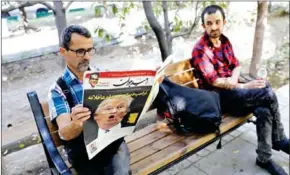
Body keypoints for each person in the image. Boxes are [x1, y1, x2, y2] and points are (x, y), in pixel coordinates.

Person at [191, 5, 289, 175]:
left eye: (217, 22)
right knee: (266, 93)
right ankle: (279, 138)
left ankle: (264, 158)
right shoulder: (200, 50)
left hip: (234, 92)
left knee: (264, 109)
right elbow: (214, 81)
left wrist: (235, 79)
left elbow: (236, 65)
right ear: (203, 26)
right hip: (218, 100)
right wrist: (243, 86)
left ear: (224, 22)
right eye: (209, 23)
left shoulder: (224, 41)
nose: (214, 27)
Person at [48, 25, 130, 175]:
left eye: (90, 50)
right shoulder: (58, 90)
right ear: (63, 52)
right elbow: (65, 133)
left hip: (111, 141)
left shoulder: (104, 75)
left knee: (119, 154)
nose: (87, 56)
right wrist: (76, 123)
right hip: (84, 151)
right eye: (80, 51)